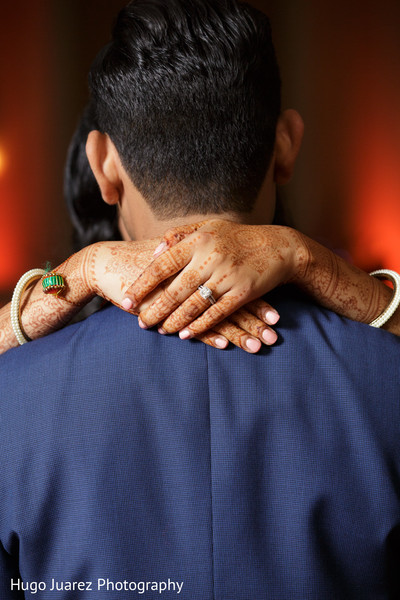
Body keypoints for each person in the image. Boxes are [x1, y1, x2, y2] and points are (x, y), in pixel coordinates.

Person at [1, 1, 400, 598]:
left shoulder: (15, 400)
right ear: (286, 144)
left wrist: (74, 275)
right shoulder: (386, 381)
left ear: (103, 166)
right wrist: (310, 257)